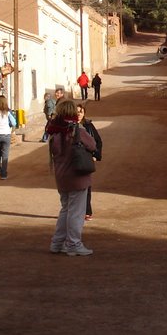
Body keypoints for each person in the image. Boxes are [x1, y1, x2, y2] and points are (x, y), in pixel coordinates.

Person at [45, 98, 96, 256]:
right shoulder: (76, 131)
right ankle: (73, 243)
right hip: (76, 176)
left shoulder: (54, 132)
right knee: (76, 212)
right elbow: (92, 145)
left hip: (61, 176)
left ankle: (57, 242)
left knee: (66, 209)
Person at [76, 103, 103, 221]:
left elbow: (97, 141)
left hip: (86, 159)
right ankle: (75, 211)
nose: (78, 114)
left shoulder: (88, 126)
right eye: (76, 112)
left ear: (84, 113)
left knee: (86, 185)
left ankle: (87, 211)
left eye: (81, 112)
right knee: (75, 186)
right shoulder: (69, 126)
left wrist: (96, 155)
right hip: (73, 161)